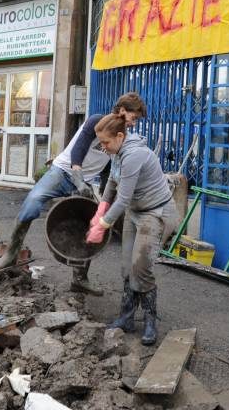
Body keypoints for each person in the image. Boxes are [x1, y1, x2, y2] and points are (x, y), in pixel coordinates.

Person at [0, 92, 147, 296]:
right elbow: (78, 150)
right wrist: (78, 179)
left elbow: (110, 169)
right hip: (62, 171)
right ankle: (10, 255)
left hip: (85, 182)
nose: (134, 123)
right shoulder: (98, 121)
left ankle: (80, 279)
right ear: (123, 110)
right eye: (134, 117)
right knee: (33, 202)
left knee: (91, 224)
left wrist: (106, 200)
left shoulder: (121, 136)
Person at [86, 113, 180, 344]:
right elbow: (111, 183)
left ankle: (150, 321)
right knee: (127, 268)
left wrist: (103, 225)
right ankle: (126, 317)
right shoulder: (117, 152)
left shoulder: (134, 154)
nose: (104, 147)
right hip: (135, 213)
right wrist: (100, 210)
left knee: (141, 268)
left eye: (106, 142)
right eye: (101, 143)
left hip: (155, 213)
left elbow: (124, 197)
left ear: (120, 136)